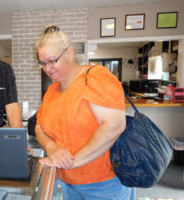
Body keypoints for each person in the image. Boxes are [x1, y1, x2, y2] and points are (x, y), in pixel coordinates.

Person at [34, 25, 135, 200]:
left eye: (52, 61)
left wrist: (71, 162)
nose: (47, 69)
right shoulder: (52, 91)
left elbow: (114, 126)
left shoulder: (95, 78)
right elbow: (39, 128)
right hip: (68, 183)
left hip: (104, 184)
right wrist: (52, 147)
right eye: (43, 63)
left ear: (69, 53)